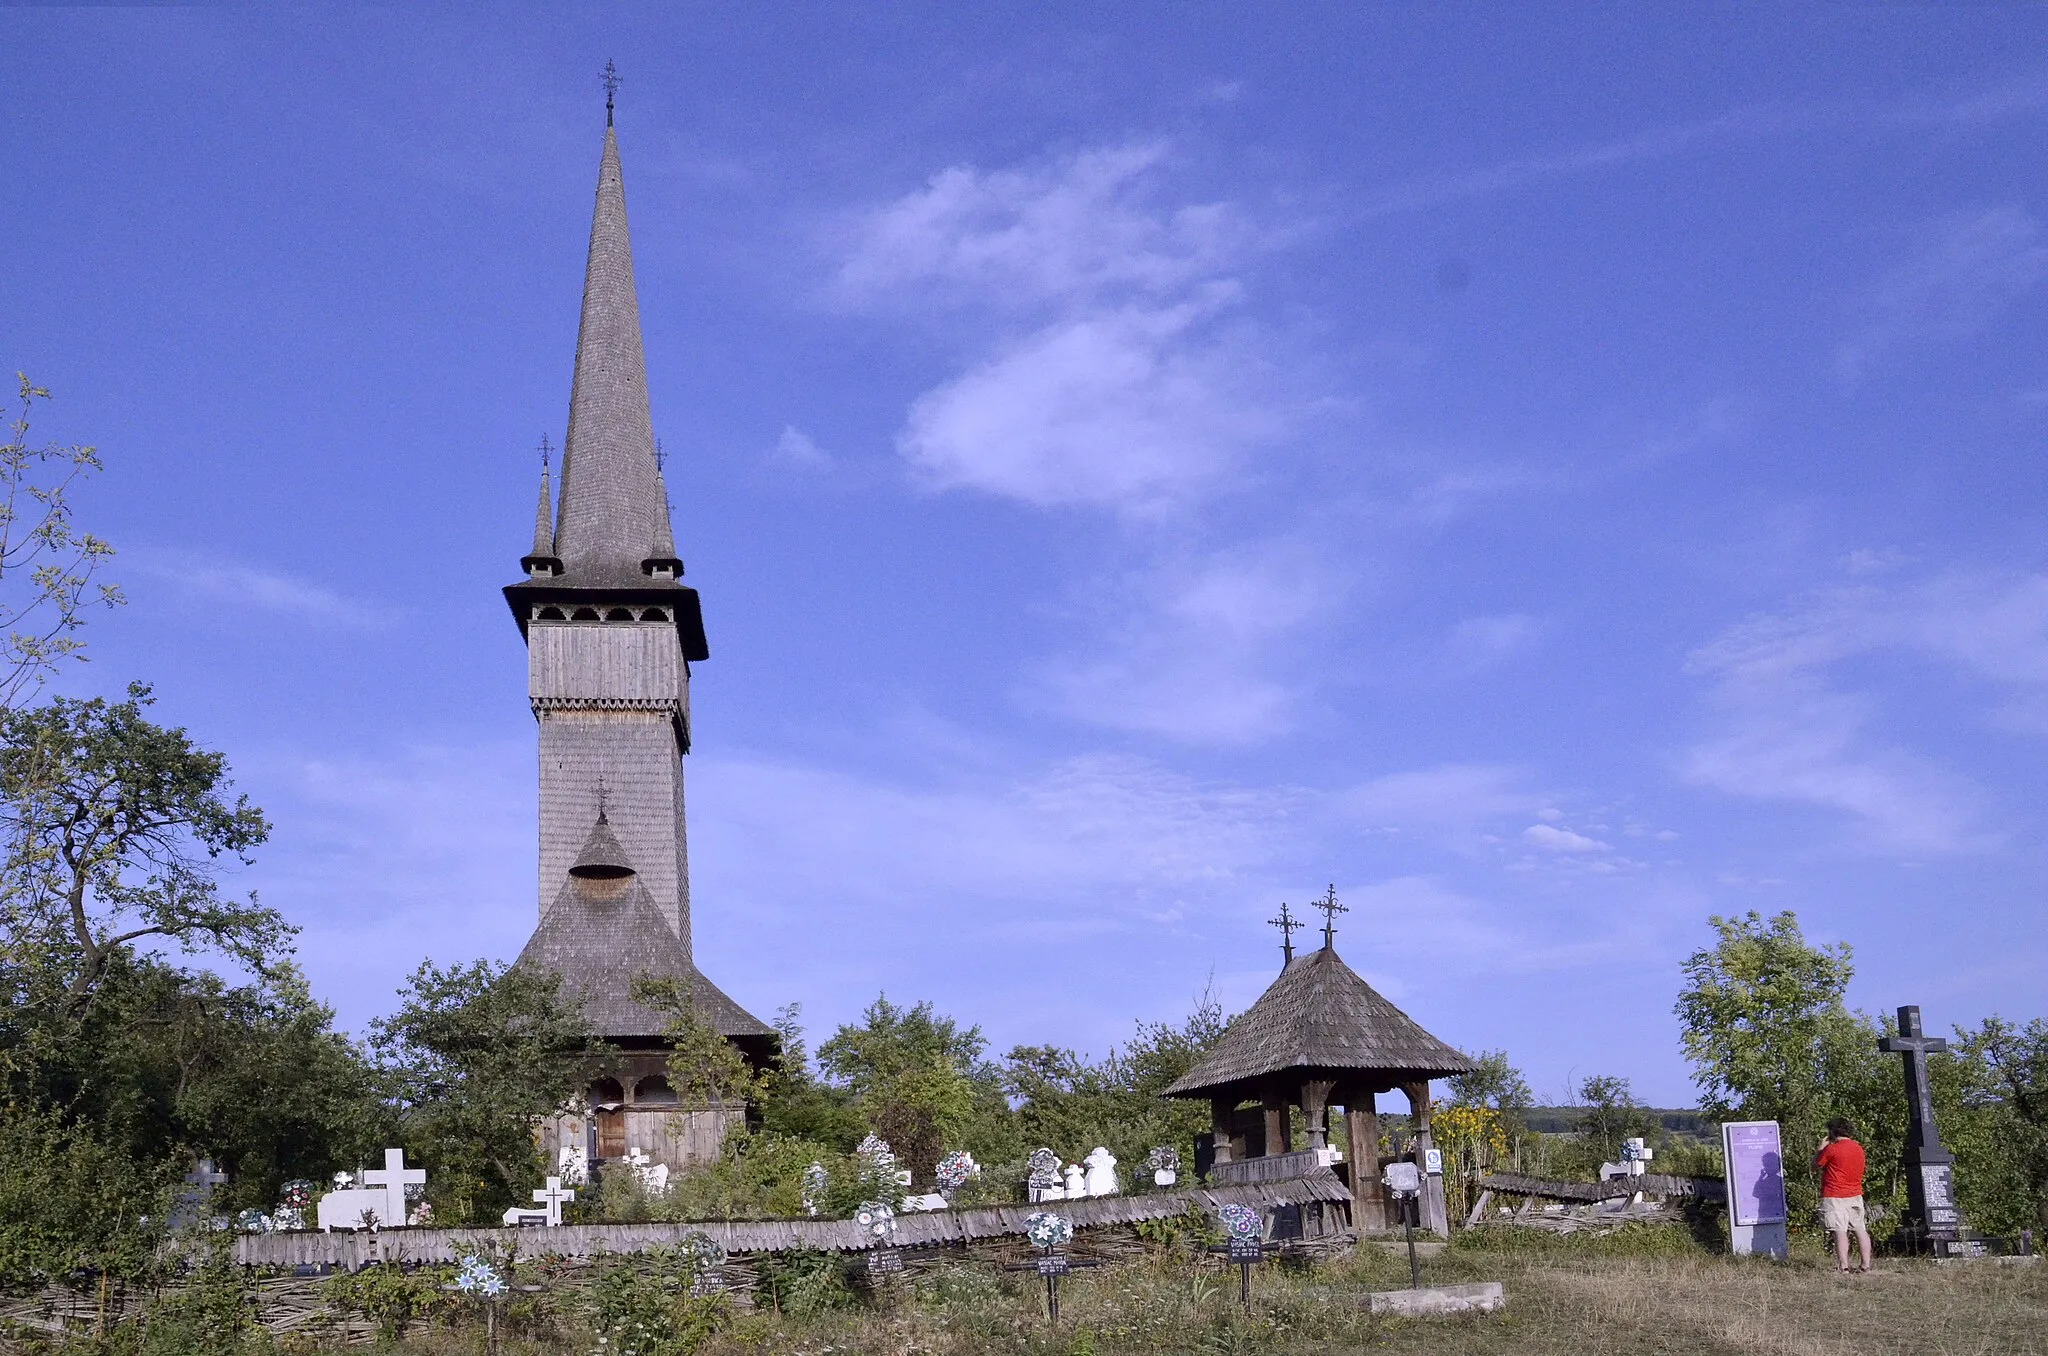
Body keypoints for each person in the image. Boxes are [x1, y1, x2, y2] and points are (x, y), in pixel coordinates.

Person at [1815, 1117, 1873, 1273]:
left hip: (1835, 1194)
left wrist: (1821, 1149)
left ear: (1833, 1132)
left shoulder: (1832, 1149)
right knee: (1860, 1229)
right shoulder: (1858, 1148)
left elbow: (1816, 1165)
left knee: (1839, 1231)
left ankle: (1843, 1267)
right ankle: (1865, 1266)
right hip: (1855, 1194)